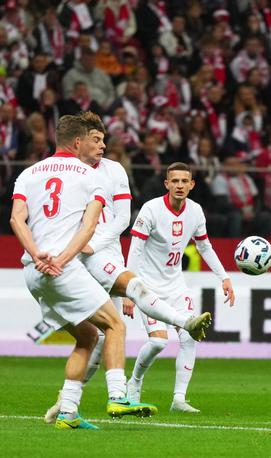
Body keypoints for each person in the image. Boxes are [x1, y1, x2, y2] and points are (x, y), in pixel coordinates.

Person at [43, 112, 213, 424]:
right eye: (97, 140)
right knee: (98, 335)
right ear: (78, 142)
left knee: (120, 310)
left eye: (104, 139)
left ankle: (79, 401)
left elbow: (122, 218)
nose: (104, 146)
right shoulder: (63, 173)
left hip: (101, 252)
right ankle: (70, 403)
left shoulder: (114, 171)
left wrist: (93, 244)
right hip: (69, 259)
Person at [10, 115, 157, 430]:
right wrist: (62, 258)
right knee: (115, 325)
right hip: (64, 269)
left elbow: (16, 220)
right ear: (78, 142)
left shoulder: (28, 173)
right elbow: (91, 226)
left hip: (34, 273)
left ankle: (68, 414)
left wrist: (37, 255)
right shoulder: (91, 176)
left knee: (88, 336)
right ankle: (119, 397)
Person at [126, 162, 236, 413]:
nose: (179, 185)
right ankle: (134, 383)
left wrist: (224, 277)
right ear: (166, 184)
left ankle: (179, 399)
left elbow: (204, 246)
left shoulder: (196, 211)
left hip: (176, 286)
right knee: (158, 343)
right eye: (174, 181)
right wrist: (128, 290)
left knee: (190, 337)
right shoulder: (151, 209)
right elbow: (135, 249)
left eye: (184, 181)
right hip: (146, 288)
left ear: (191, 185)